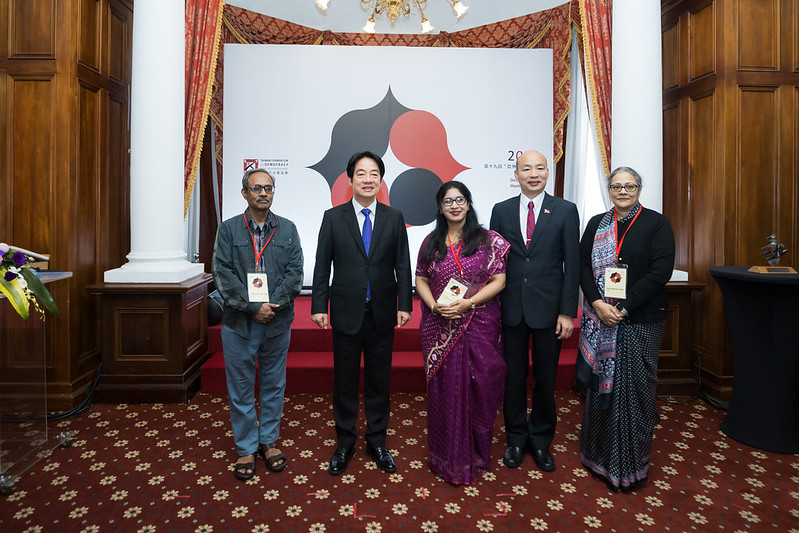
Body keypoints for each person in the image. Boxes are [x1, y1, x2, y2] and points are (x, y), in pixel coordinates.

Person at [311, 151, 413, 476]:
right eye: (361, 174)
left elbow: (403, 264)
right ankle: (344, 443)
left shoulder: (394, 217)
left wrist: (405, 304)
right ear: (350, 179)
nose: (368, 180)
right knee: (344, 383)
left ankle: (377, 442)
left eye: (374, 174)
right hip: (345, 312)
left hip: (382, 313)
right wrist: (318, 306)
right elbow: (322, 265)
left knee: (379, 383)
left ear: (380, 180)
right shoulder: (333, 217)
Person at [576, 166, 675, 491]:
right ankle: (597, 457)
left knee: (636, 394)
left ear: (638, 190)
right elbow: (582, 266)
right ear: (609, 190)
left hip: (639, 320)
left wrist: (623, 307)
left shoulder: (656, 224)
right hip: (602, 317)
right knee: (600, 390)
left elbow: (660, 272)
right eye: (616, 186)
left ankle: (629, 466)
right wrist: (598, 303)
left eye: (629, 186)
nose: (622, 191)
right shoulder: (596, 224)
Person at [489, 150, 580, 472]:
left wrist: (567, 312)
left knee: (545, 378)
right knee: (512, 378)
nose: (533, 174)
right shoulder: (500, 210)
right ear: (516, 174)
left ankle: (541, 440)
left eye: (539, 168)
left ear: (547, 173)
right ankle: (515, 439)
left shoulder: (565, 210)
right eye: (526, 168)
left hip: (550, 311)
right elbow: (495, 263)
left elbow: (572, 264)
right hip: (511, 309)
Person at [415, 181, 510, 485]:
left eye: (460, 200)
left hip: (479, 323)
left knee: (480, 390)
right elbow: (421, 280)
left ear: (468, 204)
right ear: (440, 207)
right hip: (440, 326)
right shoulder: (431, 242)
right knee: (444, 391)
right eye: (448, 201)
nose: (454, 205)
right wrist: (434, 306)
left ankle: (477, 456)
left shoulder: (486, 240)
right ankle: (445, 456)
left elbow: (499, 281)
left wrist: (469, 303)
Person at [212, 168, 303, 481]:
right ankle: (247, 447)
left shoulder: (287, 229)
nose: (263, 193)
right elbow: (222, 273)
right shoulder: (228, 229)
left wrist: (270, 306)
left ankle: (268, 441)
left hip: (276, 322)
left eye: (268, 188)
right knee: (240, 387)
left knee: (273, 385)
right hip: (240, 324)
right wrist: (252, 307)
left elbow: (295, 274)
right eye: (256, 188)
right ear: (244, 193)